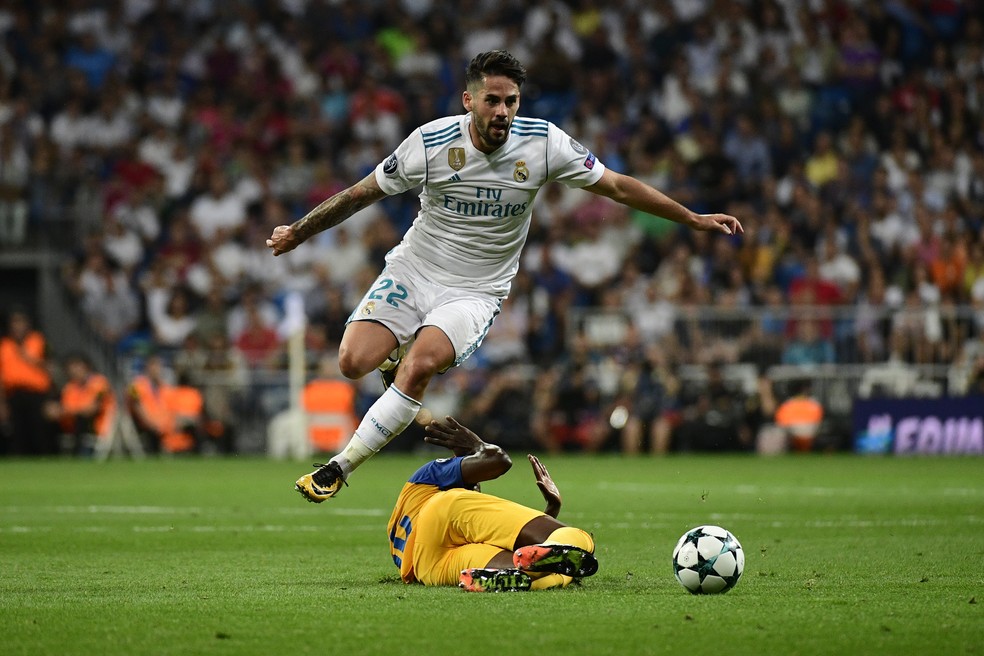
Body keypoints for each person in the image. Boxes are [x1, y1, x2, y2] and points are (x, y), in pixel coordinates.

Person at [267, 50, 743, 502]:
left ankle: (340, 467)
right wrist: (297, 232)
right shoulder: (430, 144)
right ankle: (391, 360)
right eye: (492, 100)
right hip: (415, 269)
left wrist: (693, 218)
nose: (502, 111)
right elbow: (357, 194)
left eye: (510, 101)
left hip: (476, 290)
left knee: (421, 366)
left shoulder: (544, 143)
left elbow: (617, 186)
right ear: (468, 100)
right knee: (352, 363)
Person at [388, 416, 598, 592]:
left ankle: (500, 580)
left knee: (529, 573)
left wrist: (552, 510)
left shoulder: (404, 514)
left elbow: (528, 554)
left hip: (428, 568)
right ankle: (575, 546)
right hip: (440, 512)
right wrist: (476, 445)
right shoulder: (431, 475)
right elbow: (498, 461)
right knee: (582, 541)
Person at [0, 309, 56, 455]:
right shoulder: (4, 345)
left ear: (28, 324)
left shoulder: (39, 340)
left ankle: (45, 460)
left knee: (39, 429)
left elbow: (52, 368)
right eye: (15, 322)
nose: (18, 326)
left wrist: (32, 359)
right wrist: (2, 403)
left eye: (21, 322)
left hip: (37, 394)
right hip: (13, 394)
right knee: (17, 431)